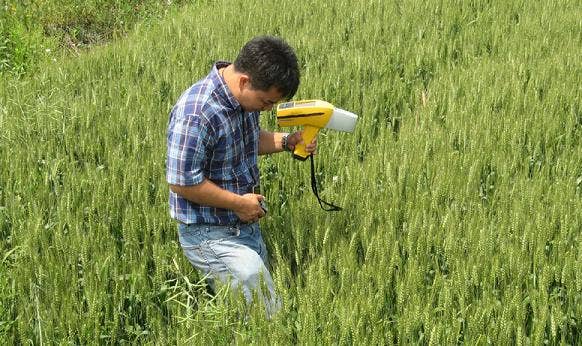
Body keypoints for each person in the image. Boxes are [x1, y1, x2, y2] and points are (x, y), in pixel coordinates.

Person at [166, 36, 316, 315]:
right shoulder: (197, 113)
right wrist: (238, 203)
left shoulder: (242, 101)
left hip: (244, 224)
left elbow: (248, 140)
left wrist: (287, 141)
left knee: (261, 307)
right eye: (266, 101)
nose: (268, 108)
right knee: (268, 318)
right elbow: (181, 182)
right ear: (245, 81)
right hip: (208, 233)